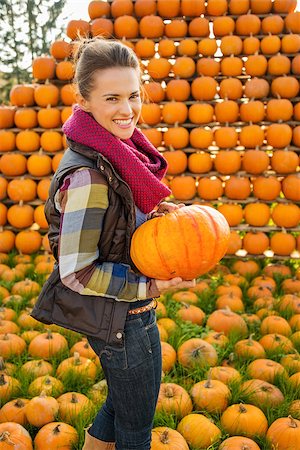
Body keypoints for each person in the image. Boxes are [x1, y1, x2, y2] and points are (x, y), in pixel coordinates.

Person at [32, 38, 195, 450]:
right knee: (137, 425)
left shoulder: (115, 153)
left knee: (124, 405)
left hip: (124, 314)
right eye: (112, 98)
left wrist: (150, 219)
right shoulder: (90, 176)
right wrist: (151, 286)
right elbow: (77, 272)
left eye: (134, 95)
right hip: (120, 318)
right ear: (83, 100)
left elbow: (114, 225)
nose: (128, 110)